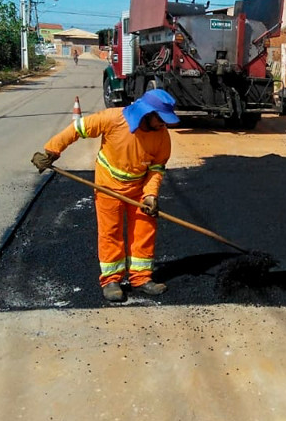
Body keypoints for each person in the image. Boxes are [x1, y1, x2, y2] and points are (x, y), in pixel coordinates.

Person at [31, 90, 179, 303]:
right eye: (161, 118)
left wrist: (151, 195)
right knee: (110, 233)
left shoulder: (162, 135)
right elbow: (77, 128)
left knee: (145, 231)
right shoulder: (113, 119)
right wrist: (51, 152)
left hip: (139, 190)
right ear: (147, 113)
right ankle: (111, 280)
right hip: (108, 187)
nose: (164, 124)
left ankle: (141, 278)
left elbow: (156, 168)